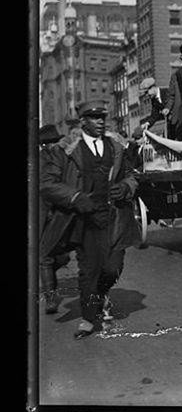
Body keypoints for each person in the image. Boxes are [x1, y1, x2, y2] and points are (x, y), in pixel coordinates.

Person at [39, 101, 140, 339]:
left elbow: (131, 175)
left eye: (103, 118)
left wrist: (125, 187)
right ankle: (88, 317)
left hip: (114, 218)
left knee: (112, 267)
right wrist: (74, 197)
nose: (101, 122)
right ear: (83, 121)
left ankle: (100, 294)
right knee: (89, 271)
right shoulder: (65, 150)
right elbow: (47, 184)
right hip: (83, 221)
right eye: (94, 118)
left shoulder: (115, 146)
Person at [39, 124, 70, 315]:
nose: (50, 146)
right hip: (52, 211)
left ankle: (51, 297)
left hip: (55, 211)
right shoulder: (61, 156)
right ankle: (50, 295)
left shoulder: (51, 158)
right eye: (47, 143)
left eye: (51, 142)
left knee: (45, 257)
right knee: (47, 256)